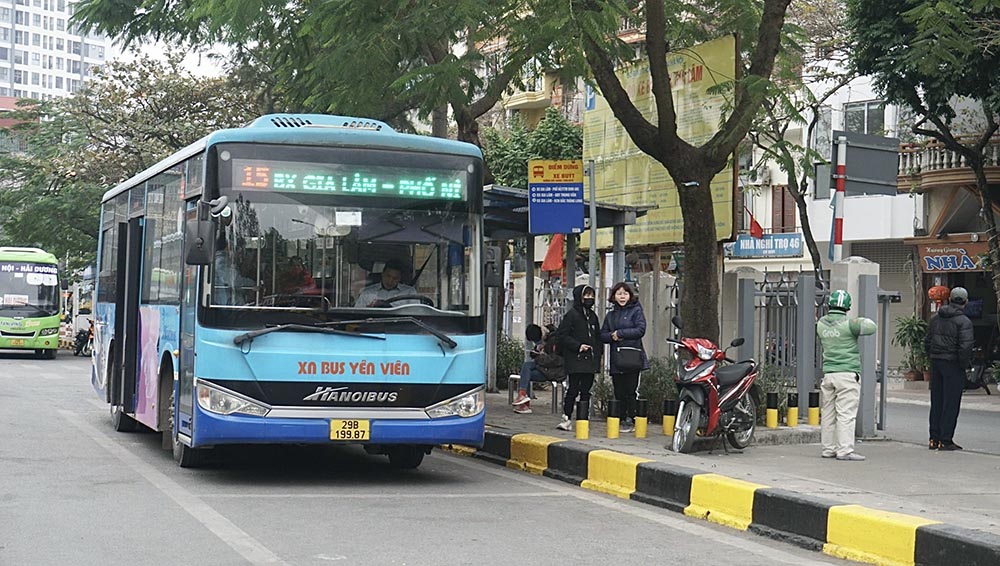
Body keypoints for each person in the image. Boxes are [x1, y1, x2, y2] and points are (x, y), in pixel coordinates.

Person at [816, 289, 876, 461]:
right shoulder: (850, 324)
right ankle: (845, 450)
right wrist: (858, 319)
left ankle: (828, 448)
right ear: (847, 306)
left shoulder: (821, 324)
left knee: (828, 413)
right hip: (847, 375)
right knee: (846, 414)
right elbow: (871, 327)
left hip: (829, 374)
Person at [925, 286, 974, 451]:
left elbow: (927, 341)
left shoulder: (935, 319)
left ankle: (934, 438)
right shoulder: (964, 322)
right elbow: (965, 348)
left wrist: (932, 356)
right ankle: (946, 440)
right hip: (953, 364)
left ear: (950, 299)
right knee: (951, 403)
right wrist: (963, 365)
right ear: (965, 302)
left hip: (936, 363)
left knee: (937, 401)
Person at [600, 282, 648, 434]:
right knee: (618, 390)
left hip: (632, 356)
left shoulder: (636, 311)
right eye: (619, 293)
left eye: (625, 293)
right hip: (617, 357)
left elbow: (640, 329)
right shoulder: (611, 315)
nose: (622, 296)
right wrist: (612, 337)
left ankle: (631, 418)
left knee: (631, 389)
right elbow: (602, 335)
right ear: (614, 296)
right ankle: (619, 418)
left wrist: (620, 333)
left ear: (630, 295)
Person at [555, 284, 602, 431]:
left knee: (586, 391)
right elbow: (562, 336)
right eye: (586, 295)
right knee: (573, 389)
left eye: (591, 295)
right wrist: (578, 346)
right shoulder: (571, 315)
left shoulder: (593, 316)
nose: (589, 298)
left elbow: (597, 339)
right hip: (575, 359)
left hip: (590, 360)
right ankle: (566, 417)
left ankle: (583, 420)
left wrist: (598, 358)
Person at [512, 324, 552, 414]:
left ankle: (524, 401)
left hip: (551, 371)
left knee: (526, 368)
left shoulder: (553, 341)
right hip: (542, 368)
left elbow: (553, 361)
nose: (535, 343)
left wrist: (538, 356)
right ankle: (523, 397)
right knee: (525, 372)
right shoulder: (541, 342)